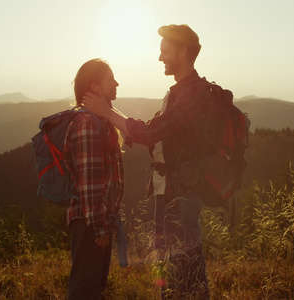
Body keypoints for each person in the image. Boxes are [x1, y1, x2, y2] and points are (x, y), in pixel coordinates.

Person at [83, 24, 215, 299]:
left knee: (186, 265)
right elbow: (151, 135)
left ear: (183, 51)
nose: (160, 58)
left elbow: (151, 132)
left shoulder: (194, 94)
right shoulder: (178, 93)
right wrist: (107, 111)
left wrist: (106, 113)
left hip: (181, 192)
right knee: (169, 261)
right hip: (167, 189)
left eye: (165, 51)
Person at [65, 58, 125, 299]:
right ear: (94, 87)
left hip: (96, 218)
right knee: (85, 290)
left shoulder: (99, 120)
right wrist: (99, 227)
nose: (117, 83)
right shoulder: (87, 124)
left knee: (93, 287)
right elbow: (89, 182)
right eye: (110, 79)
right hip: (90, 221)